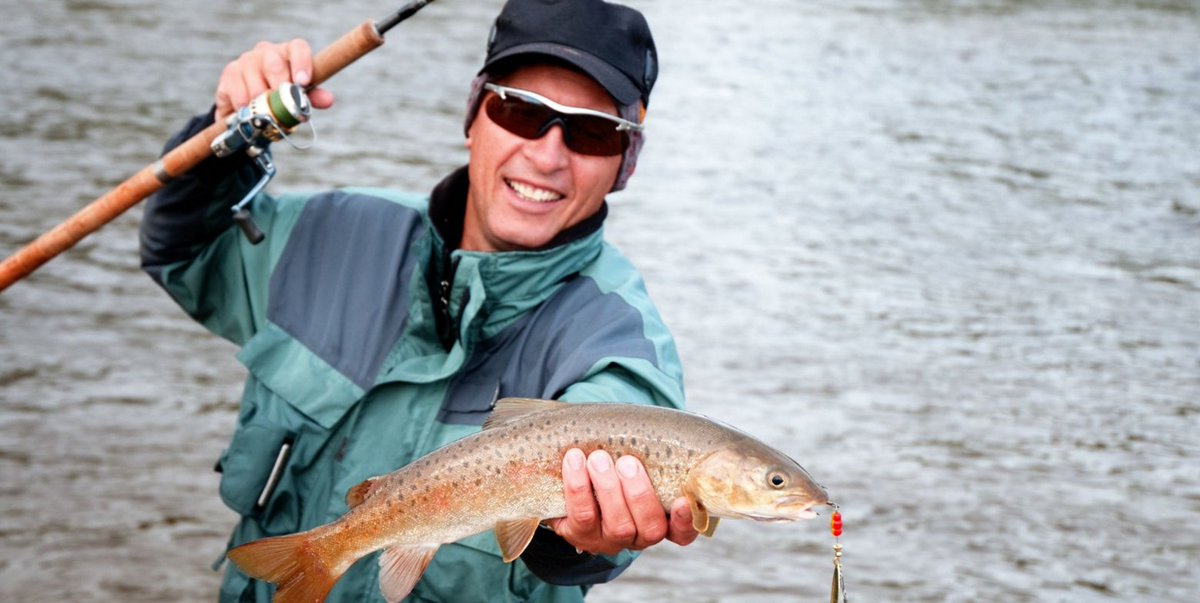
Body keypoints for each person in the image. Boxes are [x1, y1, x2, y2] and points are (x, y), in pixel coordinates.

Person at [139, 0, 697, 601]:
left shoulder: (622, 342)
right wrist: (224, 139)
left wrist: (576, 535)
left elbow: (622, 440)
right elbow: (184, 252)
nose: (547, 155)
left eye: (592, 132)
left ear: (626, 162)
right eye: (520, 110)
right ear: (473, 114)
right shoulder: (334, 233)